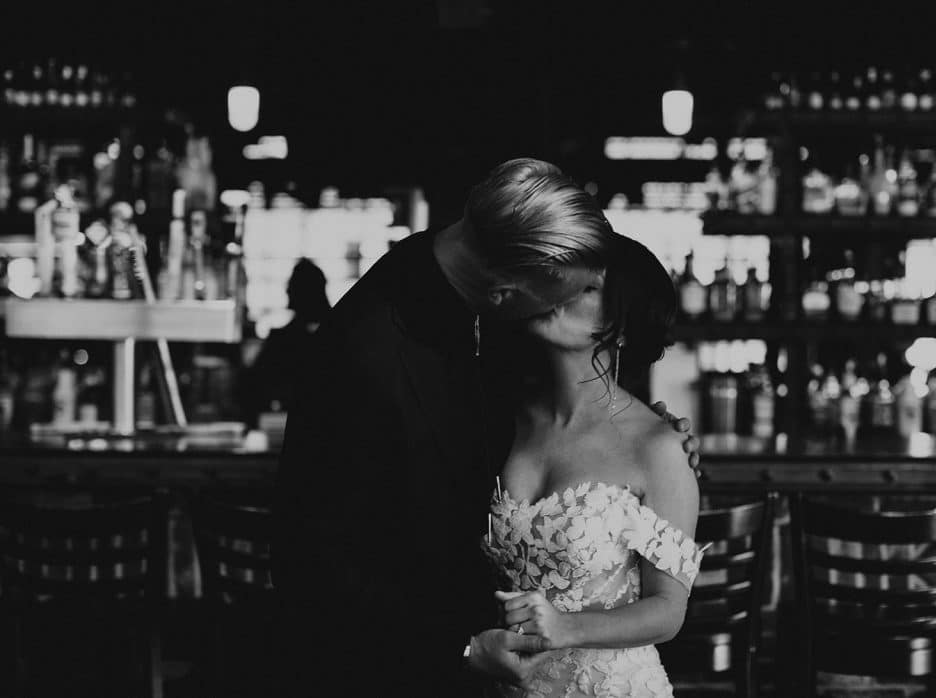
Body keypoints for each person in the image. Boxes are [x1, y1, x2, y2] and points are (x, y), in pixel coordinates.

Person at [270, 158, 700, 696]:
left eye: (590, 289)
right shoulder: (365, 352)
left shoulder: (490, 337)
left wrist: (651, 436)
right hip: (383, 667)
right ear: (509, 293)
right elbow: (310, 562)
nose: (568, 299)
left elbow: (664, 597)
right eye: (572, 286)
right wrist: (463, 647)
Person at [480, 234, 702, 697]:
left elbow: (668, 610)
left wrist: (567, 628)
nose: (558, 293)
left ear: (620, 326)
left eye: (587, 288)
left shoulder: (658, 444)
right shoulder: (497, 419)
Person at [241, 257, 331, 427]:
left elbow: (253, 385)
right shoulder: (341, 333)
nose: (287, 291)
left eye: (292, 286)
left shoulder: (285, 339)